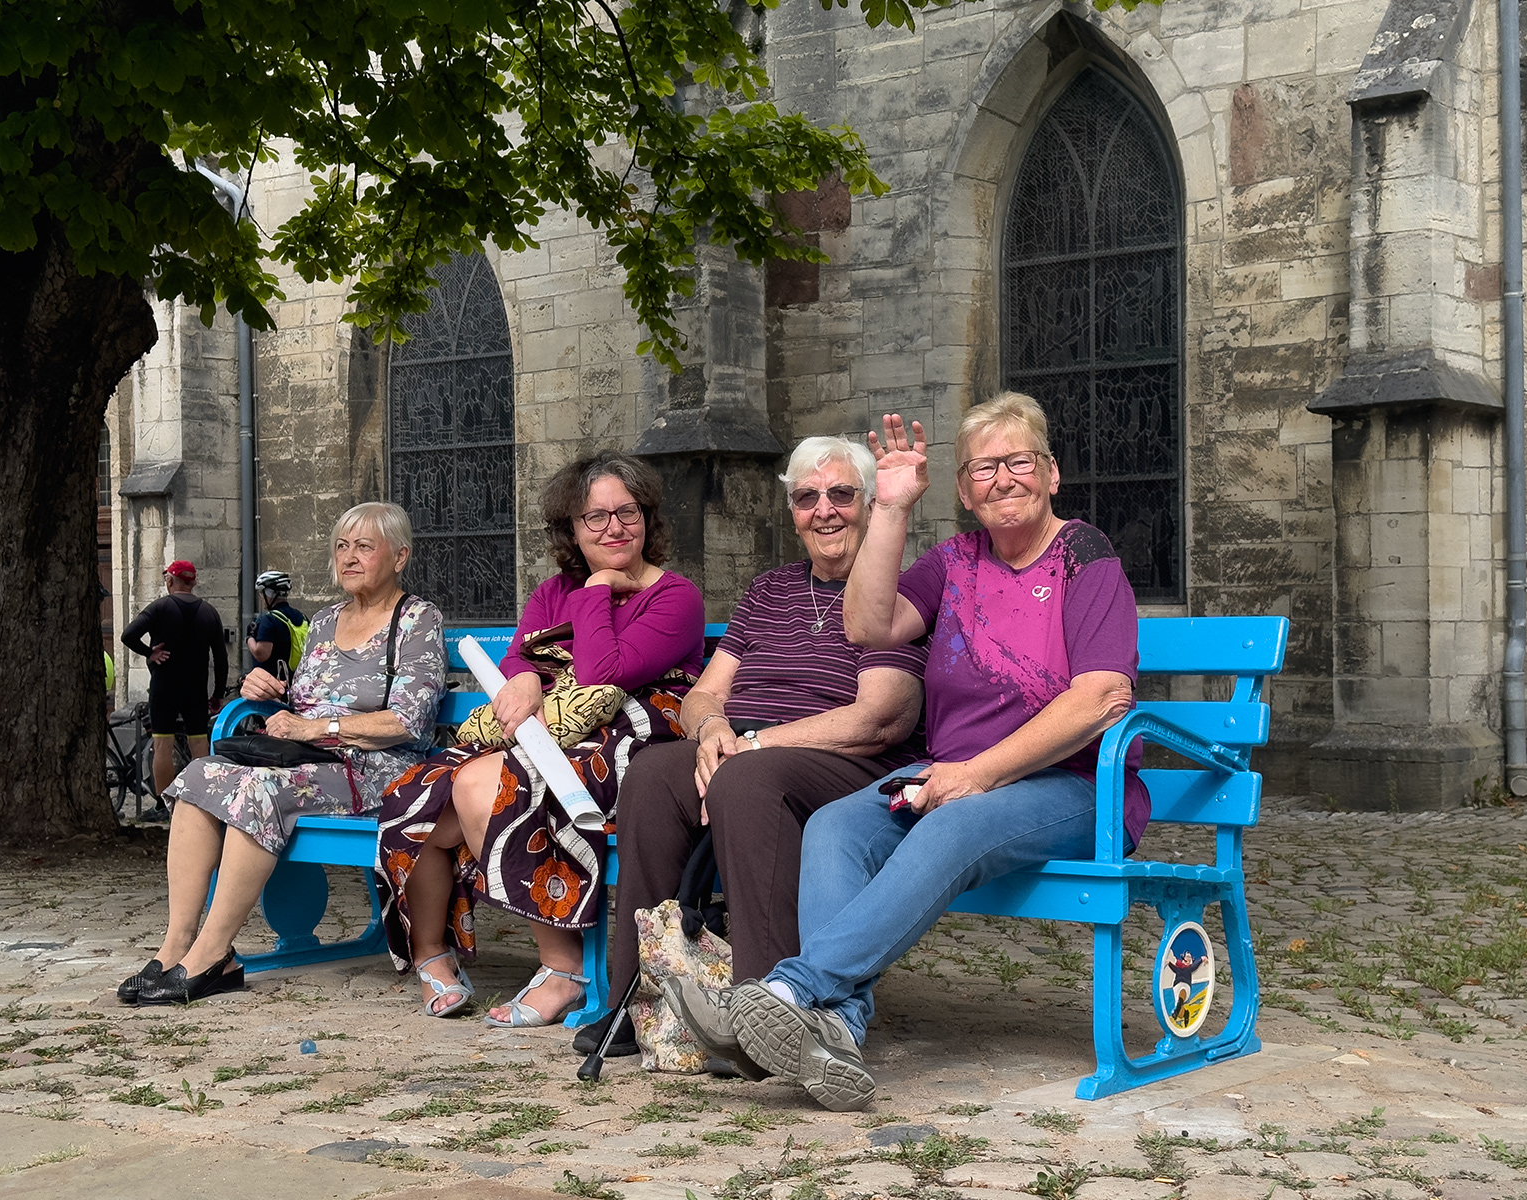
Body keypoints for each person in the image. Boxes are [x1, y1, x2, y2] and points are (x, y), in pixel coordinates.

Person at [664, 393, 1145, 1112]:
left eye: (1019, 461)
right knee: (836, 825)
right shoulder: (955, 561)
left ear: (1051, 474)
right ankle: (837, 1032)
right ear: (963, 492)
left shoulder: (1084, 556)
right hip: (950, 776)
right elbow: (868, 626)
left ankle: (793, 990)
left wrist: (976, 774)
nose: (1002, 479)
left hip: (1071, 783)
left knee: (952, 823)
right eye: (982, 468)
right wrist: (888, 507)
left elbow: (1102, 697)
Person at [573, 436, 928, 1062]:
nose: (824, 510)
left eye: (841, 494)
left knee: (746, 781)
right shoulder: (769, 591)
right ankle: (639, 998)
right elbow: (704, 694)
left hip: (848, 763)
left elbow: (879, 719)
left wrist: (754, 744)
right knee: (653, 773)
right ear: (792, 513)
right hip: (746, 748)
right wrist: (713, 730)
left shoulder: (897, 596)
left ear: (874, 504)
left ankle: (762, 1009)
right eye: (806, 498)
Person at [376, 452, 704, 1024]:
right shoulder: (552, 592)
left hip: (631, 736)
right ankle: (432, 954)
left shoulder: (675, 596)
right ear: (572, 529)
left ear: (647, 517)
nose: (614, 528)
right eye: (595, 517)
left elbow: (604, 671)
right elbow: (517, 657)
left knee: (482, 786)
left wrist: (597, 588)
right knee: (414, 796)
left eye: (627, 512)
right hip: (547, 726)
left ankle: (564, 969)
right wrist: (525, 676)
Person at [118, 503, 445, 1005]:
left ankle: (214, 954)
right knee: (199, 776)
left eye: (364, 546)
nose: (349, 557)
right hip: (306, 758)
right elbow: (305, 700)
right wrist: (268, 690)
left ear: (399, 557)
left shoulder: (417, 619)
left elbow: (408, 721)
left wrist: (319, 727)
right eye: (342, 546)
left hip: (381, 767)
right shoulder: (325, 620)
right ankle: (176, 944)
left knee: (259, 788)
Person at [121, 560, 229, 798]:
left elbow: (128, 635)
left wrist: (150, 653)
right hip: (196, 688)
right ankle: (203, 800)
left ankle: (164, 804)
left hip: (165, 686)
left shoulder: (160, 607)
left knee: (163, 745)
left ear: (170, 580)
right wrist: (217, 694)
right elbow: (221, 658)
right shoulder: (209, 612)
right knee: (199, 743)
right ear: (194, 582)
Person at [247, 571, 309, 682]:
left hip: (273, 684)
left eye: (262, 594)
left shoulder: (269, 619)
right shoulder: (302, 617)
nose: (262, 598)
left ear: (270, 594)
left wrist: (249, 638)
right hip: (298, 681)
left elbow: (261, 654)